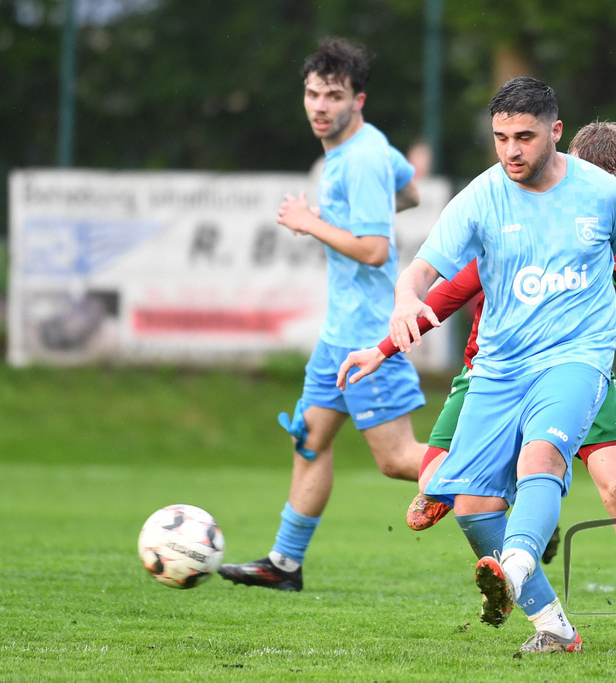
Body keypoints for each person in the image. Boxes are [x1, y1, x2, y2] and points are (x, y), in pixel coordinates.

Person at [339, 121, 616, 649]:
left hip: (582, 369)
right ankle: (549, 609)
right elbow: (452, 288)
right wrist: (382, 347)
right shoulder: (529, 212)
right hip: (500, 369)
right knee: (439, 488)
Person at [217, 37, 427, 592]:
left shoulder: (359, 161)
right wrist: (365, 212)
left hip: (368, 333)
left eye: (333, 96)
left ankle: (512, 487)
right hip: (339, 335)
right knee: (309, 438)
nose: (319, 106)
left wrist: (310, 222)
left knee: (399, 459)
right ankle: (284, 564)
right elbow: (410, 189)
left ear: (358, 100)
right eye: (312, 94)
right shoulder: (371, 149)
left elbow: (375, 249)